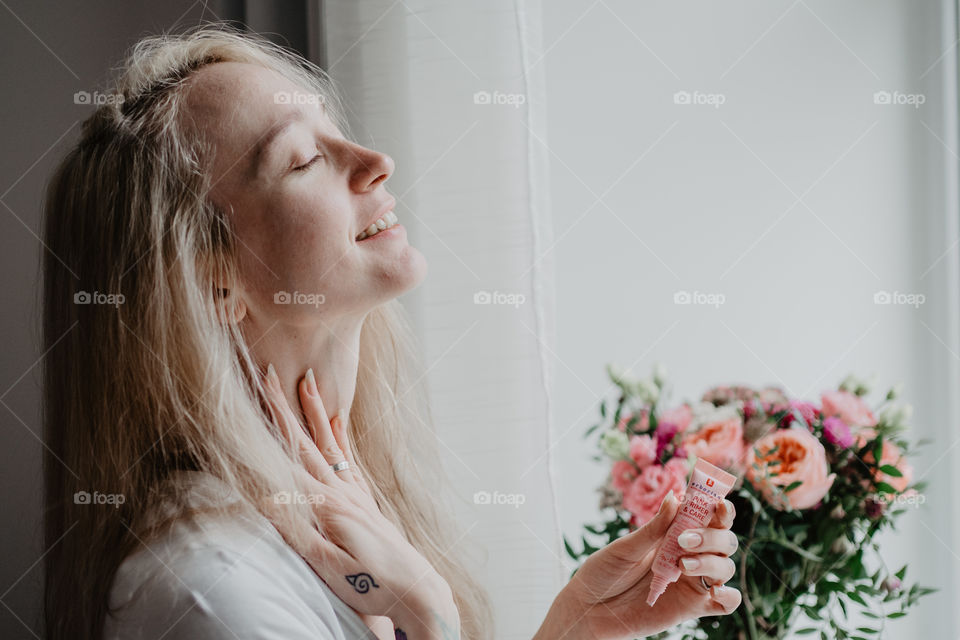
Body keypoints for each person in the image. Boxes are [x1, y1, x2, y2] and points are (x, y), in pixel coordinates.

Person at [41, 24, 742, 640]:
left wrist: (577, 627)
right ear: (215, 282)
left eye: (332, 128)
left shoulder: (336, 514)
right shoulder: (214, 593)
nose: (376, 161)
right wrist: (433, 619)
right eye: (305, 159)